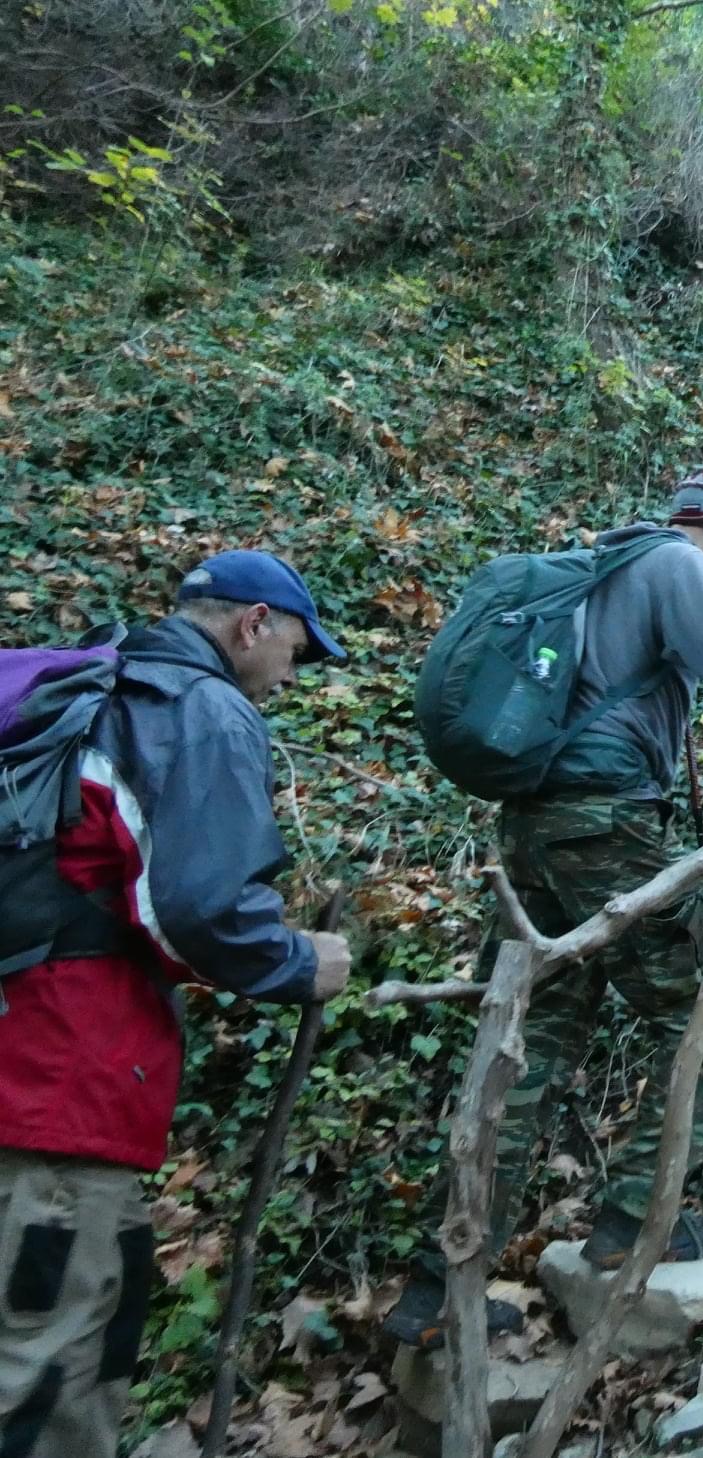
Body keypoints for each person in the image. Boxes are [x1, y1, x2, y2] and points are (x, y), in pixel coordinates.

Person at [384, 465, 703, 1348]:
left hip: (533, 831)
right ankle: (637, 1221)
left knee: (530, 1043)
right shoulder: (676, 565)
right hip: (603, 827)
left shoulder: (609, 565)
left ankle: (438, 1281)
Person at [0, 551, 353, 1458]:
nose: (290, 677)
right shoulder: (199, 710)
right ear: (254, 625)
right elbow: (202, 907)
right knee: (50, 1364)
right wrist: (295, 961)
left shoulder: (92, 686)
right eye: (297, 653)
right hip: (63, 1086)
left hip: (24, 1057)